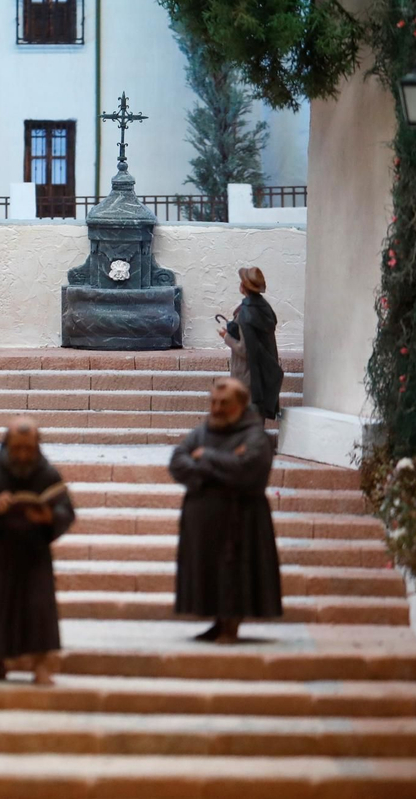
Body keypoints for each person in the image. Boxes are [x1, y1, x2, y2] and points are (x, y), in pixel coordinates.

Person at [0, 417, 76, 686]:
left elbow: (66, 510)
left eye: (28, 449)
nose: (23, 454)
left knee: (38, 609)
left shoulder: (48, 474)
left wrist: (49, 517)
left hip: (34, 553)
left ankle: (41, 666)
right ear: (7, 445)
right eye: (17, 449)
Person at [169, 378, 283, 644]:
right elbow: (178, 462)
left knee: (235, 572)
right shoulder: (202, 431)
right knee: (209, 572)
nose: (217, 408)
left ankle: (231, 624)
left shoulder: (255, 437)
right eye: (214, 402)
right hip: (203, 523)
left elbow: (248, 471)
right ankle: (217, 622)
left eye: (224, 403)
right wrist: (223, 464)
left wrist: (205, 457)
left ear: (241, 406)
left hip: (240, 520)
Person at [217, 265, 284, 422]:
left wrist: (226, 336)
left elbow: (245, 350)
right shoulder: (264, 308)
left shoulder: (246, 313)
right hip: (261, 373)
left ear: (243, 287)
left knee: (245, 418)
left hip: (247, 375)